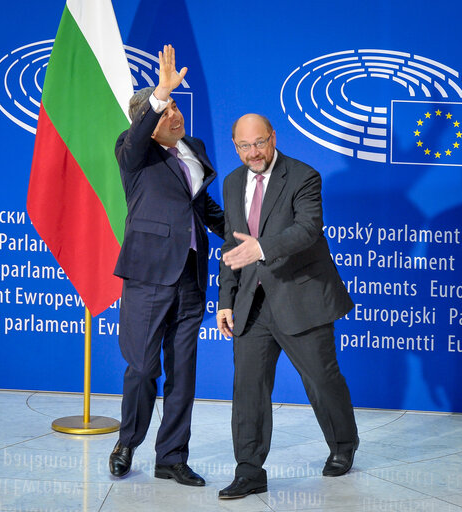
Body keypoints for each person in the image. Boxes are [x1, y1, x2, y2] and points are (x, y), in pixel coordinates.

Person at [216, 114, 358, 499]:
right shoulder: (231, 183)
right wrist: (225, 300)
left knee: (322, 380)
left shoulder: (303, 176)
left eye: (259, 143)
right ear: (235, 146)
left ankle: (343, 445)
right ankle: (249, 470)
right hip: (252, 304)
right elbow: (231, 246)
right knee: (248, 389)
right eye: (244, 146)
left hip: (301, 296)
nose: (253, 153)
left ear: (273, 137)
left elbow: (307, 229)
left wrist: (261, 248)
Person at [109, 45, 224, 486]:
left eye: (176, 107)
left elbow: (202, 206)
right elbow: (139, 135)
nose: (176, 114)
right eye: (167, 110)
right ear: (147, 120)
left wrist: (242, 234)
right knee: (142, 367)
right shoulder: (132, 151)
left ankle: (172, 456)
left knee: (183, 373)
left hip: (191, 278)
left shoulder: (190, 148)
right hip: (149, 275)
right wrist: (160, 91)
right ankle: (126, 442)